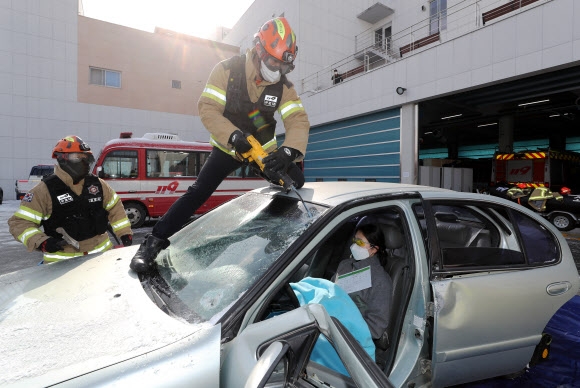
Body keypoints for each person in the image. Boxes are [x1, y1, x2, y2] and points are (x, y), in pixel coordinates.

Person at [130, 17, 310, 273]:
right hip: (230, 147)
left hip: (264, 152)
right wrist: (232, 135)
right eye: (273, 61)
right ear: (259, 49)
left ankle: (274, 238)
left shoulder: (284, 86)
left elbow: (297, 119)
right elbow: (208, 108)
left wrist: (288, 151)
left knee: (295, 184)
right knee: (198, 192)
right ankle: (151, 244)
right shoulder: (227, 70)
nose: (278, 68)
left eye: (284, 65)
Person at [8, 135, 133, 263]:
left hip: (100, 257)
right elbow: (19, 223)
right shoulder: (44, 190)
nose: (83, 161)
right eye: (77, 157)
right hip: (62, 264)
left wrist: (124, 233)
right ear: (62, 158)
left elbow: (115, 207)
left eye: (85, 157)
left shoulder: (97, 184)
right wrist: (42, 242)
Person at [332, 224, 392, 340]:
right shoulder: (345, 265)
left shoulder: (380, 280)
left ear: (374, 249)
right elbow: (330, 292)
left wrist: (342, 331)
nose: (354, 245)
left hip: (350, 338)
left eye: (360, 242)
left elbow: (375, 327)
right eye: (355, 240)